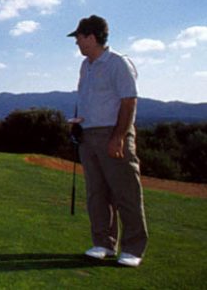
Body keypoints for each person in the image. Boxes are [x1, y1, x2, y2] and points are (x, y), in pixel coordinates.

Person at [68, 15, 147, 267]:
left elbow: (129, 101)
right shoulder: (86, 66)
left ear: (91, 37)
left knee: (125, 192)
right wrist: (78, 125)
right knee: (97, 193)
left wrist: (119, 137)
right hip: (88, 135)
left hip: (113, 135)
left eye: (79, 38)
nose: (77, 42)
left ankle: (133, 249)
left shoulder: (118, 64)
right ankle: (103, 243)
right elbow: (88, 99)